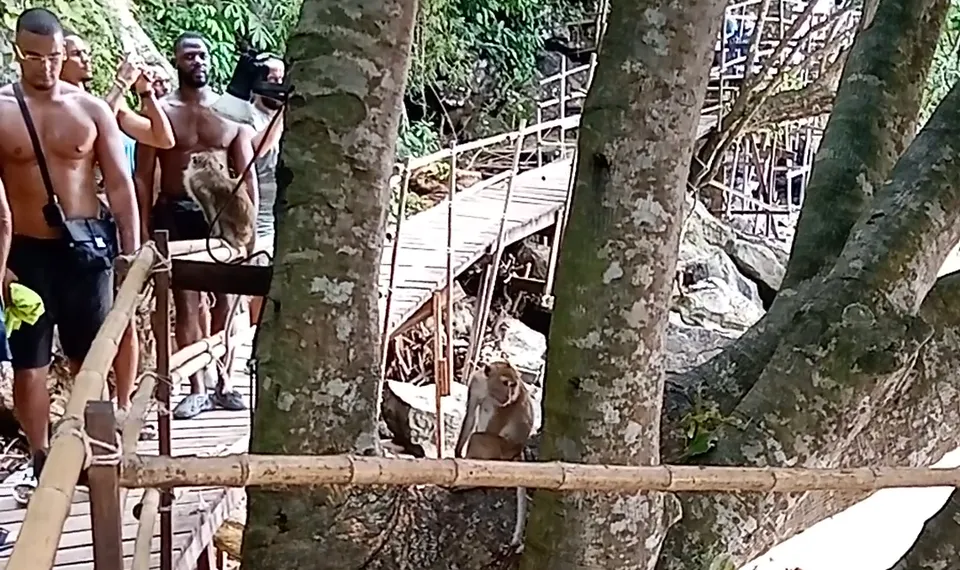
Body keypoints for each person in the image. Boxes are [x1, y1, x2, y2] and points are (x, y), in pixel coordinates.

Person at [0, 8, 139, 493]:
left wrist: (132, 250)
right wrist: (1, 270)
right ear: (18, 53)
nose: (46, 67)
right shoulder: (1, 111)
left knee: (90, 356)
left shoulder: (92, 109)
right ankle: (39, 453)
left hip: (88, 250)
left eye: (54, 56)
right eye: (34, 57)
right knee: (30, 363)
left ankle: (89, 444)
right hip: (26, 254)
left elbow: (120, 186)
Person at [135, 31, 258, 419]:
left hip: (221, 213)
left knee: (226, 299)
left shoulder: (229, 112)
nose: (198, 62)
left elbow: (246, 173)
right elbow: (142, 176)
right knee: (187, 304)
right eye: (189, 56)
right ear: (176, 62)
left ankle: (225, 381)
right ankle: (196, 386)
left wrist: (248, 227)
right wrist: (141, 230)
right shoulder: (162, 113)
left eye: (203, 55)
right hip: (176, 212)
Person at [60, 31, 175, 414]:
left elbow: (163, 137)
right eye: (78, 54)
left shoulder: (107, 105)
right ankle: (91, 405)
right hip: (66, 226)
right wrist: (119, 86)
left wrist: (145, 95)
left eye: (89, 52)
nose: (87, 59)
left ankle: (123, 404)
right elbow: (85, 135)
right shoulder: (55, 108)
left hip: (105, 226)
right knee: (80, 329)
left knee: (120, 313)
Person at [245, 55, 284, 326]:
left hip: (278, 218)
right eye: (273, 80)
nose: (279, 86)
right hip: (253, 224)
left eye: (282, 80)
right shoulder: (245, 116)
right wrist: (283, 113)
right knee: (255, 289)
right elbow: (257, 149)